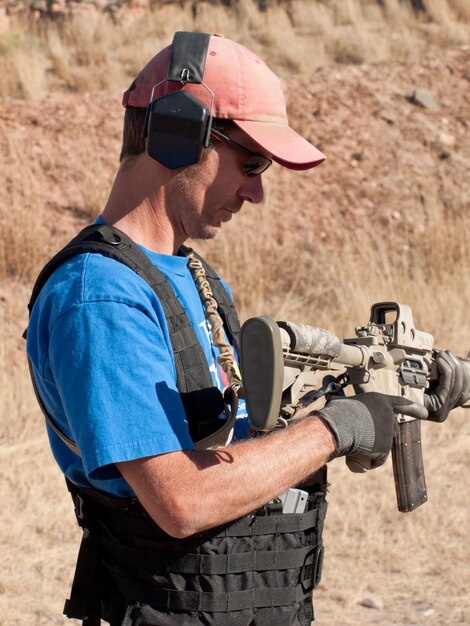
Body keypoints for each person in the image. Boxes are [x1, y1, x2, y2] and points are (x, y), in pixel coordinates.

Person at [26, 32, 469, 626]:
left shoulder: (199, 280)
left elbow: (233, 447)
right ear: (180, 133)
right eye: (251, 162)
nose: (257, 192)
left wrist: (365, 393)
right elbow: (181, 500)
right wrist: (337, 427)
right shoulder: (100, 296)